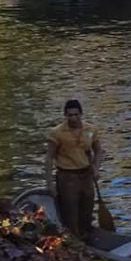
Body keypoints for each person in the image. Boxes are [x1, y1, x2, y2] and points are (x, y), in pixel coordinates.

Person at [44, 99, 103, 239]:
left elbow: (99, 151)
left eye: (76, 114)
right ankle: (74, 239)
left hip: (86, 175)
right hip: (67, 177)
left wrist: (96, 167)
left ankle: (86, 235)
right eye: (70, 115)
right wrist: (49, 183)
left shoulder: (91, 130)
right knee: (70, 212)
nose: (73, 118)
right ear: (65, 115)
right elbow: (49, 158)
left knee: (87, 208)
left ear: (81, 114)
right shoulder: (56, 133)